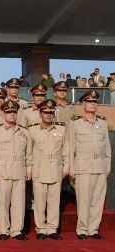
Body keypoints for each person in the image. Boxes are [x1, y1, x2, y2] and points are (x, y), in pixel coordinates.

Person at [64, 90, 111, 240]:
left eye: (95, 102)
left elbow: (107, 147)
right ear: (83, 104)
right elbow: (69, 147)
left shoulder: (102, 123)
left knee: (97, 201)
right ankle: (83, 229)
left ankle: (94, 229)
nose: (92, 104)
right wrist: (71, 167)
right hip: (83, 168)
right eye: (89, 102)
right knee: (84, 200)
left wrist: (107, 167)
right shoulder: (75, 124)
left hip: (100, 167)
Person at [0, 100, 32, 241]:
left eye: (14, 112)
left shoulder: (24, 132)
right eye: (8, 112)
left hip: (19, 172)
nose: (12, 115)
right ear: (3, 114)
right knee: (3, 203)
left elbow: (29, 154)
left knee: (19, 204)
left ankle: (17, 230)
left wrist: (29, 169)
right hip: (2, 173)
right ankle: (3, 230)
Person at [28, 99, 66, 240]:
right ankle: (41, 229)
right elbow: (28, 152)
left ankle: (52, 229)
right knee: (39, 202)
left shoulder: (62, 129)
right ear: (40, 114)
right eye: (46, 112)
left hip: (56, 170)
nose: (49, 115)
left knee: (54, 202)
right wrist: (29, 169)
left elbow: (66, 151)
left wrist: (66, 167)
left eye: (51, 112)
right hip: (39, 170)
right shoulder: (32, 130)